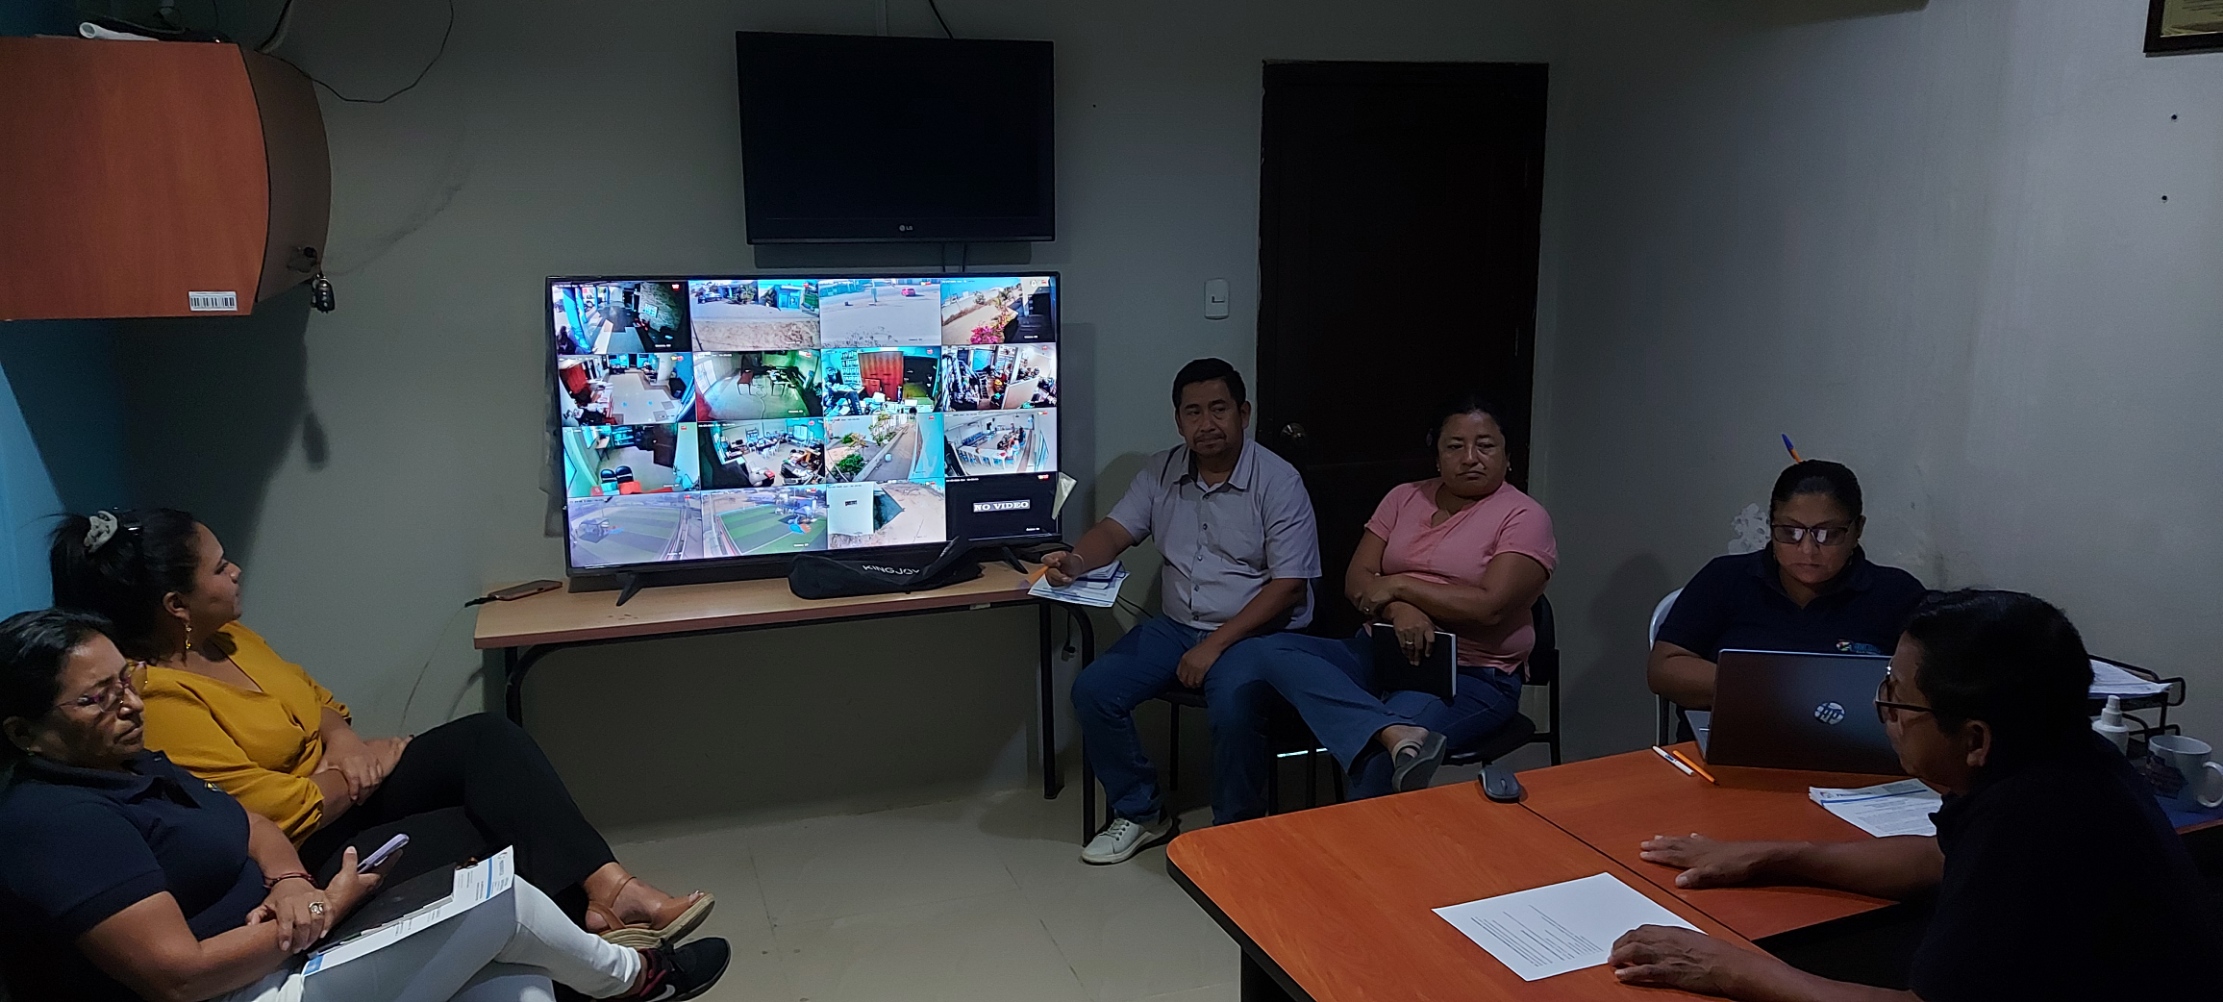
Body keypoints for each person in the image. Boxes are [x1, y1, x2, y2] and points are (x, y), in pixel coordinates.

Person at [48, 509, 712, 947]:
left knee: (489, 741)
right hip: (302, 849)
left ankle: (610, 892)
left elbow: (320, 702)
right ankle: (607, 961)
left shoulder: (228, 638)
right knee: (480, 827)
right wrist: (360, 767)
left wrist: (343, 744)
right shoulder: (157, 698)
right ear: (176, 605)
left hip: (343, 786)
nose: (236, 570)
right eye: (219, 567)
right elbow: (274, 810)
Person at [0, 609, 731, 1002]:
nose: (130, 705)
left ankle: (614, 954)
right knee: (500, 901)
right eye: (98, 698)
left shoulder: (129, 763)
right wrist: (325, 908)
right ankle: (636, 978)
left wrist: (292, 883)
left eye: (126, 683)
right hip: (249, 987)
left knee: (521, 988)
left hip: (289, 944)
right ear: (24, 733)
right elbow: (178, 977)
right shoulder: (55, 822)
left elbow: (251, 824)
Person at [1609, 590, 2223, 1000]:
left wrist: (1729, 967)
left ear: (1975, 739)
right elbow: (1941, 858)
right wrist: (1772, 854)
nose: (1883, 711)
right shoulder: (2062, 755)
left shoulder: (2032, 823)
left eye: (1897, 699)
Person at [1052, 358, 1321, 864]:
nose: (1207, 424)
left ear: (1243, 413)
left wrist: (1215, 645)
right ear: (1178, 421)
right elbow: (1114, 531)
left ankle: (1235, 831)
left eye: (1219, 409)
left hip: (1256, 634)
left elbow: (1288, 587)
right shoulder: (1161, 470)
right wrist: (1077, 562)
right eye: (1193, 412)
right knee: (1094, 690)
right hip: (1177, 627)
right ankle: (1142, 812)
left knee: (1235, 706)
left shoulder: (1278, 481)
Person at [1250, 393, 1556, 797]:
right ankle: (1392, 731)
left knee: (1381, 755)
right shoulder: (1403, 497)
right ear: (1437, 456)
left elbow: (1489, 607)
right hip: (1379, 650)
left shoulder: (1524, 516)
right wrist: (1399, 610)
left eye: (1485, 446)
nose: (1470, 458)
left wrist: (1399, 586)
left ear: (1508, 456)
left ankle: (1367, 827)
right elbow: (1357, 581)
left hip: (1468, 674)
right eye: (1455, 446)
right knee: (1265, 651)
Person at [1648, 460, 1926, 723]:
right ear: (1771, 526)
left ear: (1857, 530)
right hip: (1731, 743)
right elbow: (1664, 669)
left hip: (1852, 747)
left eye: (1828, 534)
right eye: (1789, 532)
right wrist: (1774, 687)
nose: (1807, 550)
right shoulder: (1726, 579)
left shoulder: (1895, 595)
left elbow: (1931, 687)